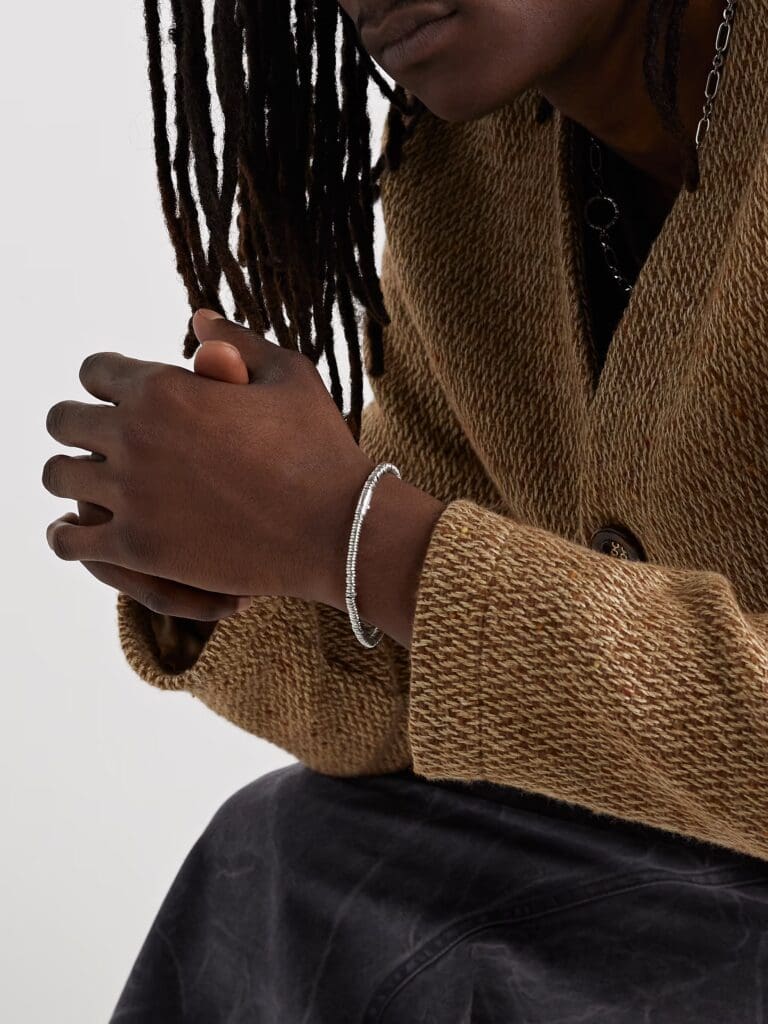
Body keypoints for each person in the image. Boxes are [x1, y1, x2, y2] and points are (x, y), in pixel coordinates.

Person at [42, 0, 768, 1020]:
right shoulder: (466, 177)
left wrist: (357, 535)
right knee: (293, 856)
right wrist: (231, 560)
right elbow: (430, 685)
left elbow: (402, 567)